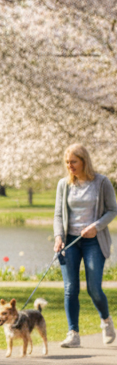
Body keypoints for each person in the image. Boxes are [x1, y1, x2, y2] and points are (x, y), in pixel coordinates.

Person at [53, 143, 117, 348]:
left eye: (73, 162)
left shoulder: (101, 182)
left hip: (94, 242)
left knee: (94, 289)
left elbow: (112, 210)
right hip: (70, 241)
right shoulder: (64, 184)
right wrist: (58, 237)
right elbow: (58, 215)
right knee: (70, 288)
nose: (69, 166)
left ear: (84, 161)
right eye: (67, 162)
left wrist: (96, 227)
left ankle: (106, 321)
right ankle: (73, 333)